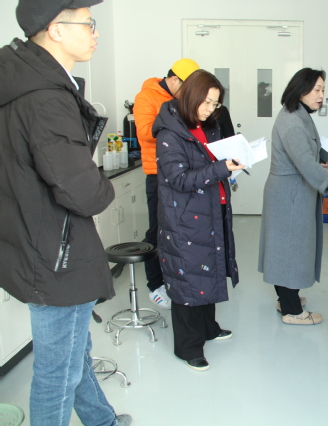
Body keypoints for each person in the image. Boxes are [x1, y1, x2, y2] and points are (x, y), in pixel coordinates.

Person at [0, 1, 132, 425]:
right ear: (56, 30)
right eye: (88, 24)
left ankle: (102, 421)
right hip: (58, 258)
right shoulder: (46, 99)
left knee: (75, 355)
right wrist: (101, 184)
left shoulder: (20, 84)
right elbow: (85, 193)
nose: (96, 33)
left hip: (33, 242)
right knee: (57, 375)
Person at [153, 69, 243, 371]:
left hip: (211, 210)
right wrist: (221, 169)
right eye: (205, 102)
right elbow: (179, 179)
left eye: (215, 104)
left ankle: (208, 328)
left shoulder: (208, 126)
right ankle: (187, 346)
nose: (209, 109)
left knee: (210, 269)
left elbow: (213, 163)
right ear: (190, 96)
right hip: (185, 217)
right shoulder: (170, 132)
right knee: (188, 278)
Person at [258, 68, 328, 325]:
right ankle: (292, 311)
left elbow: (304, 154)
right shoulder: (292, 121)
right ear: (301, 90)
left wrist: (319, 161)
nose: (321, 95)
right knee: (290, 250)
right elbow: (303, 161)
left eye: (323, 90)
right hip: (289, 194)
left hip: (291, 191)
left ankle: (287, 299)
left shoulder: (298, 114)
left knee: (286, 248)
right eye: (317, 90)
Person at [133, 57, 200, 310]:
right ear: (173, 79)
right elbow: (144, 133)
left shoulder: (179, 99)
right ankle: (154, 285)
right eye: (186, 88)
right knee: (157, 230)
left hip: (181, 173)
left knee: (178, 230)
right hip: (157, 174)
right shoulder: (146, 97)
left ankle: (176, 279)